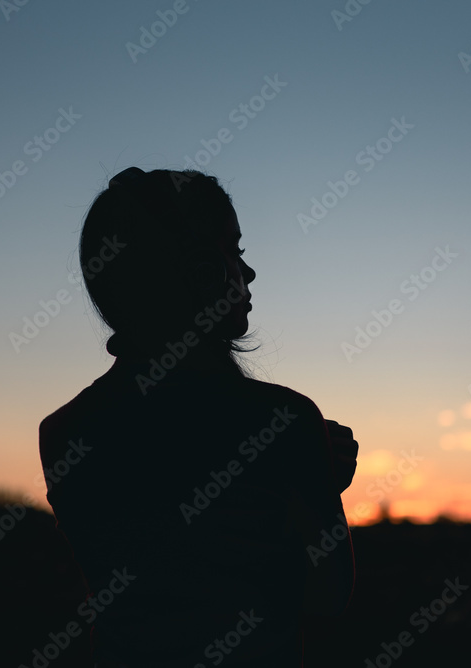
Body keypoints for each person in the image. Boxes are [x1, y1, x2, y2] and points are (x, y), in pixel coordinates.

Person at [38, 167, 357, 667]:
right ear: (201, 271)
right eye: (235, 252)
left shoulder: (64, 433)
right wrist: (318, 482)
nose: (247, 273)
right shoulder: (284, 421)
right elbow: (327, 597)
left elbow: (138, 590)